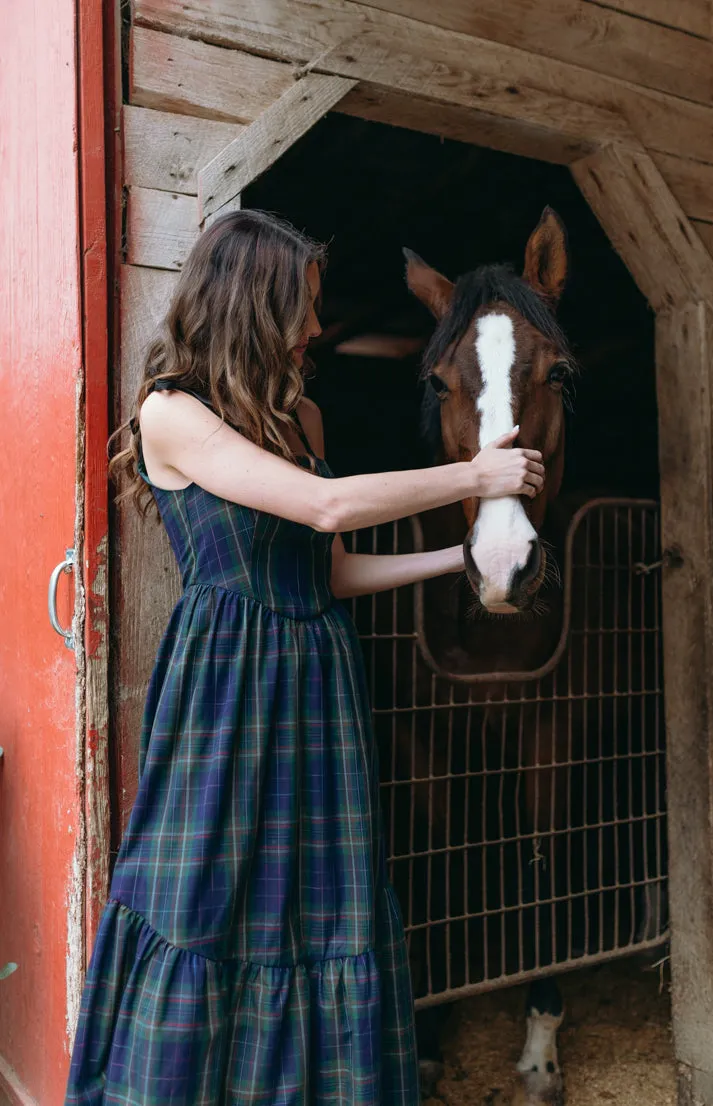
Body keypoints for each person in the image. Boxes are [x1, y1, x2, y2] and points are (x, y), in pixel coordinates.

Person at [65, 209, 544, 1105]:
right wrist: (475, 475)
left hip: (314, 675)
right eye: (303, 304)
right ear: (253, 300)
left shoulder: (304, 414)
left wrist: (465, 549)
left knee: (321, 903)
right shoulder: (172, 412)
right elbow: (323, 509)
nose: (315, 328)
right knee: (205, 898)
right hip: (227, 684)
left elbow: (329, 568)